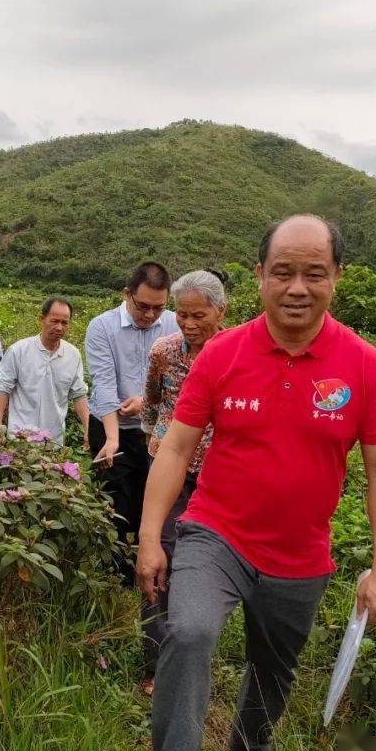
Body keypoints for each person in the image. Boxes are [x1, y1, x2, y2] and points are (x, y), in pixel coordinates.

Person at [136, 215, 376, 751]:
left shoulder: (365, 366)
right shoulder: (221, 354)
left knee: (274, 671)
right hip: (215, 533)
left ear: (336, 277)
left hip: (301, 550)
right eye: (282, 272)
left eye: (314, 273)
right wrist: (150, 537)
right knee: (188, 633)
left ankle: (250, 741)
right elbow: (178, 447)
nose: (297, 288)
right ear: (260, 276)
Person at [138, 270, 226, 697]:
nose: (189, 324)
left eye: (198, 315)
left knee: (202, 568)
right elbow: (151, 404)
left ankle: (193, 656)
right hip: (169, 470)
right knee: (159, 559)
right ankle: (155, 665)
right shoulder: (163, 351)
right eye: (182, 314)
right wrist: (158, 443)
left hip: (216, 478)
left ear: (220, 312)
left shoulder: (234, 352)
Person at [85, 262, 180, 583]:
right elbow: (104, 386)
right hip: (112, 428)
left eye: (159, 307)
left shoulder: (173, 325)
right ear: (126, 294)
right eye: (143, 306)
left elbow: (181, 380)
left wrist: (147, 401)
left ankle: (146, 572)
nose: (151, 315)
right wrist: (111, 439)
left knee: (150, 502)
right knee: (116, 504)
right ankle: (114, 579)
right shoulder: (102, 327)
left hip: (154, 431)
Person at [0, 297, 90, 445]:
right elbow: (3, 389)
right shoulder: (19, 350)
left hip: (52, 442)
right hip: (20, 439)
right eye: (54, 321)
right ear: (41, 319)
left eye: (65, 323)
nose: (59, 327)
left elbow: (79, 395)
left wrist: (88, 429)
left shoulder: (73, 355)